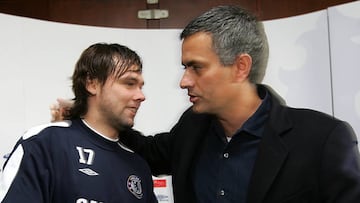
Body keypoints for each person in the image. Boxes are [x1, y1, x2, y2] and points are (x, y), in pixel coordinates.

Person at [51, 6, 360, 203]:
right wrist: (91, 112)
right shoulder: (192, 127)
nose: (184, 81)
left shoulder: (322, 139)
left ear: (240, 67)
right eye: (185, 67)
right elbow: (148, 151)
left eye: (196, 67)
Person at [0, 43, 158, 203]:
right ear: (92, 83)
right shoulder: (44, 144)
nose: (141, 96)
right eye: (129, 83)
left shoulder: (138, 165)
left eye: (140, 86)